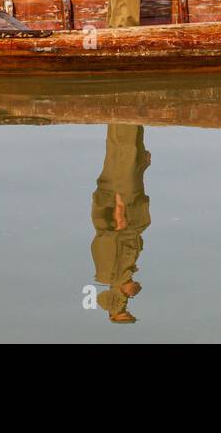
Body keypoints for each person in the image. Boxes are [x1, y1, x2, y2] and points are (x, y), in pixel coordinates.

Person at [90, 124, 151, 324]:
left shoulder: (108, 272)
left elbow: (107, 236)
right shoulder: (124, 271)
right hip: (129, 200)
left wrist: (118, 205)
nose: (129, 299)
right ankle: (127, 119)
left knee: (124, 151)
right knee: (131, 151)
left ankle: (122, 119)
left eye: (124, 309)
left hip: (122, 198)